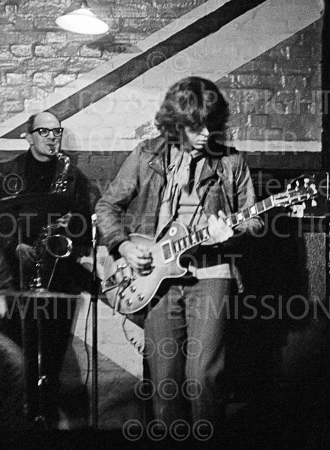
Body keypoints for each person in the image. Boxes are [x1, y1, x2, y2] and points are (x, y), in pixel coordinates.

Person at [95, 76, 263, 437]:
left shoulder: (231, 163)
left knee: (202, 376)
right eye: (195, 126)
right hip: (156, 278)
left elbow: (256, 223)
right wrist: (123, 246)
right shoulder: (147, 155)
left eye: (211, 125)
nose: (205, 134)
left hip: (210, 274)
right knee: (164, 382)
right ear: (176, 123)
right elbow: (107, 206)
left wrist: (230, 235)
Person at [0, 111, 99, 428]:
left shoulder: (73, 178)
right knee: (18, 361)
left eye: (57, 131)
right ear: (28, 136)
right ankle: (19, 423)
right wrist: (16, 245)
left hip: (59, 280)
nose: (52, 137)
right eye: (43, 131)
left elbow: (85, 230)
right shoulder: (5, 174)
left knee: (51, 363)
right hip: (15, 280)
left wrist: (73, 227)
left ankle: (47, 422)